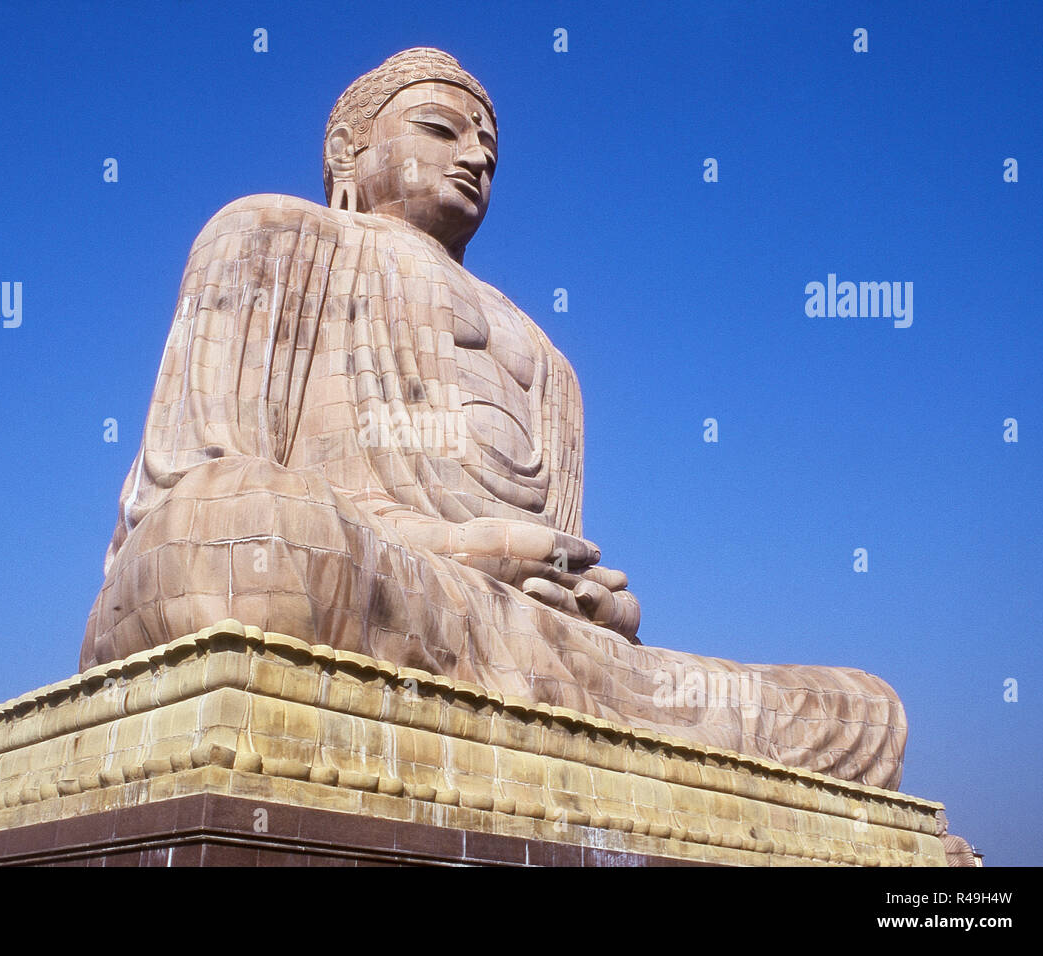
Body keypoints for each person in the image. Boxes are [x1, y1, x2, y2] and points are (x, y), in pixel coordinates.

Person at [81, 48, 907, 790]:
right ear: (347, 152)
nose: (475, 157)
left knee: (861, 713)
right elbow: (189, 487)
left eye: (490, 152)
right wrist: (454, 550)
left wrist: (592, 606)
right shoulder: (273, 234)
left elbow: (557, 583)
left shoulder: (551, 361)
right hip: (357, 574)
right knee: (244, 532)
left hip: (505, 639)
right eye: (441, 129)